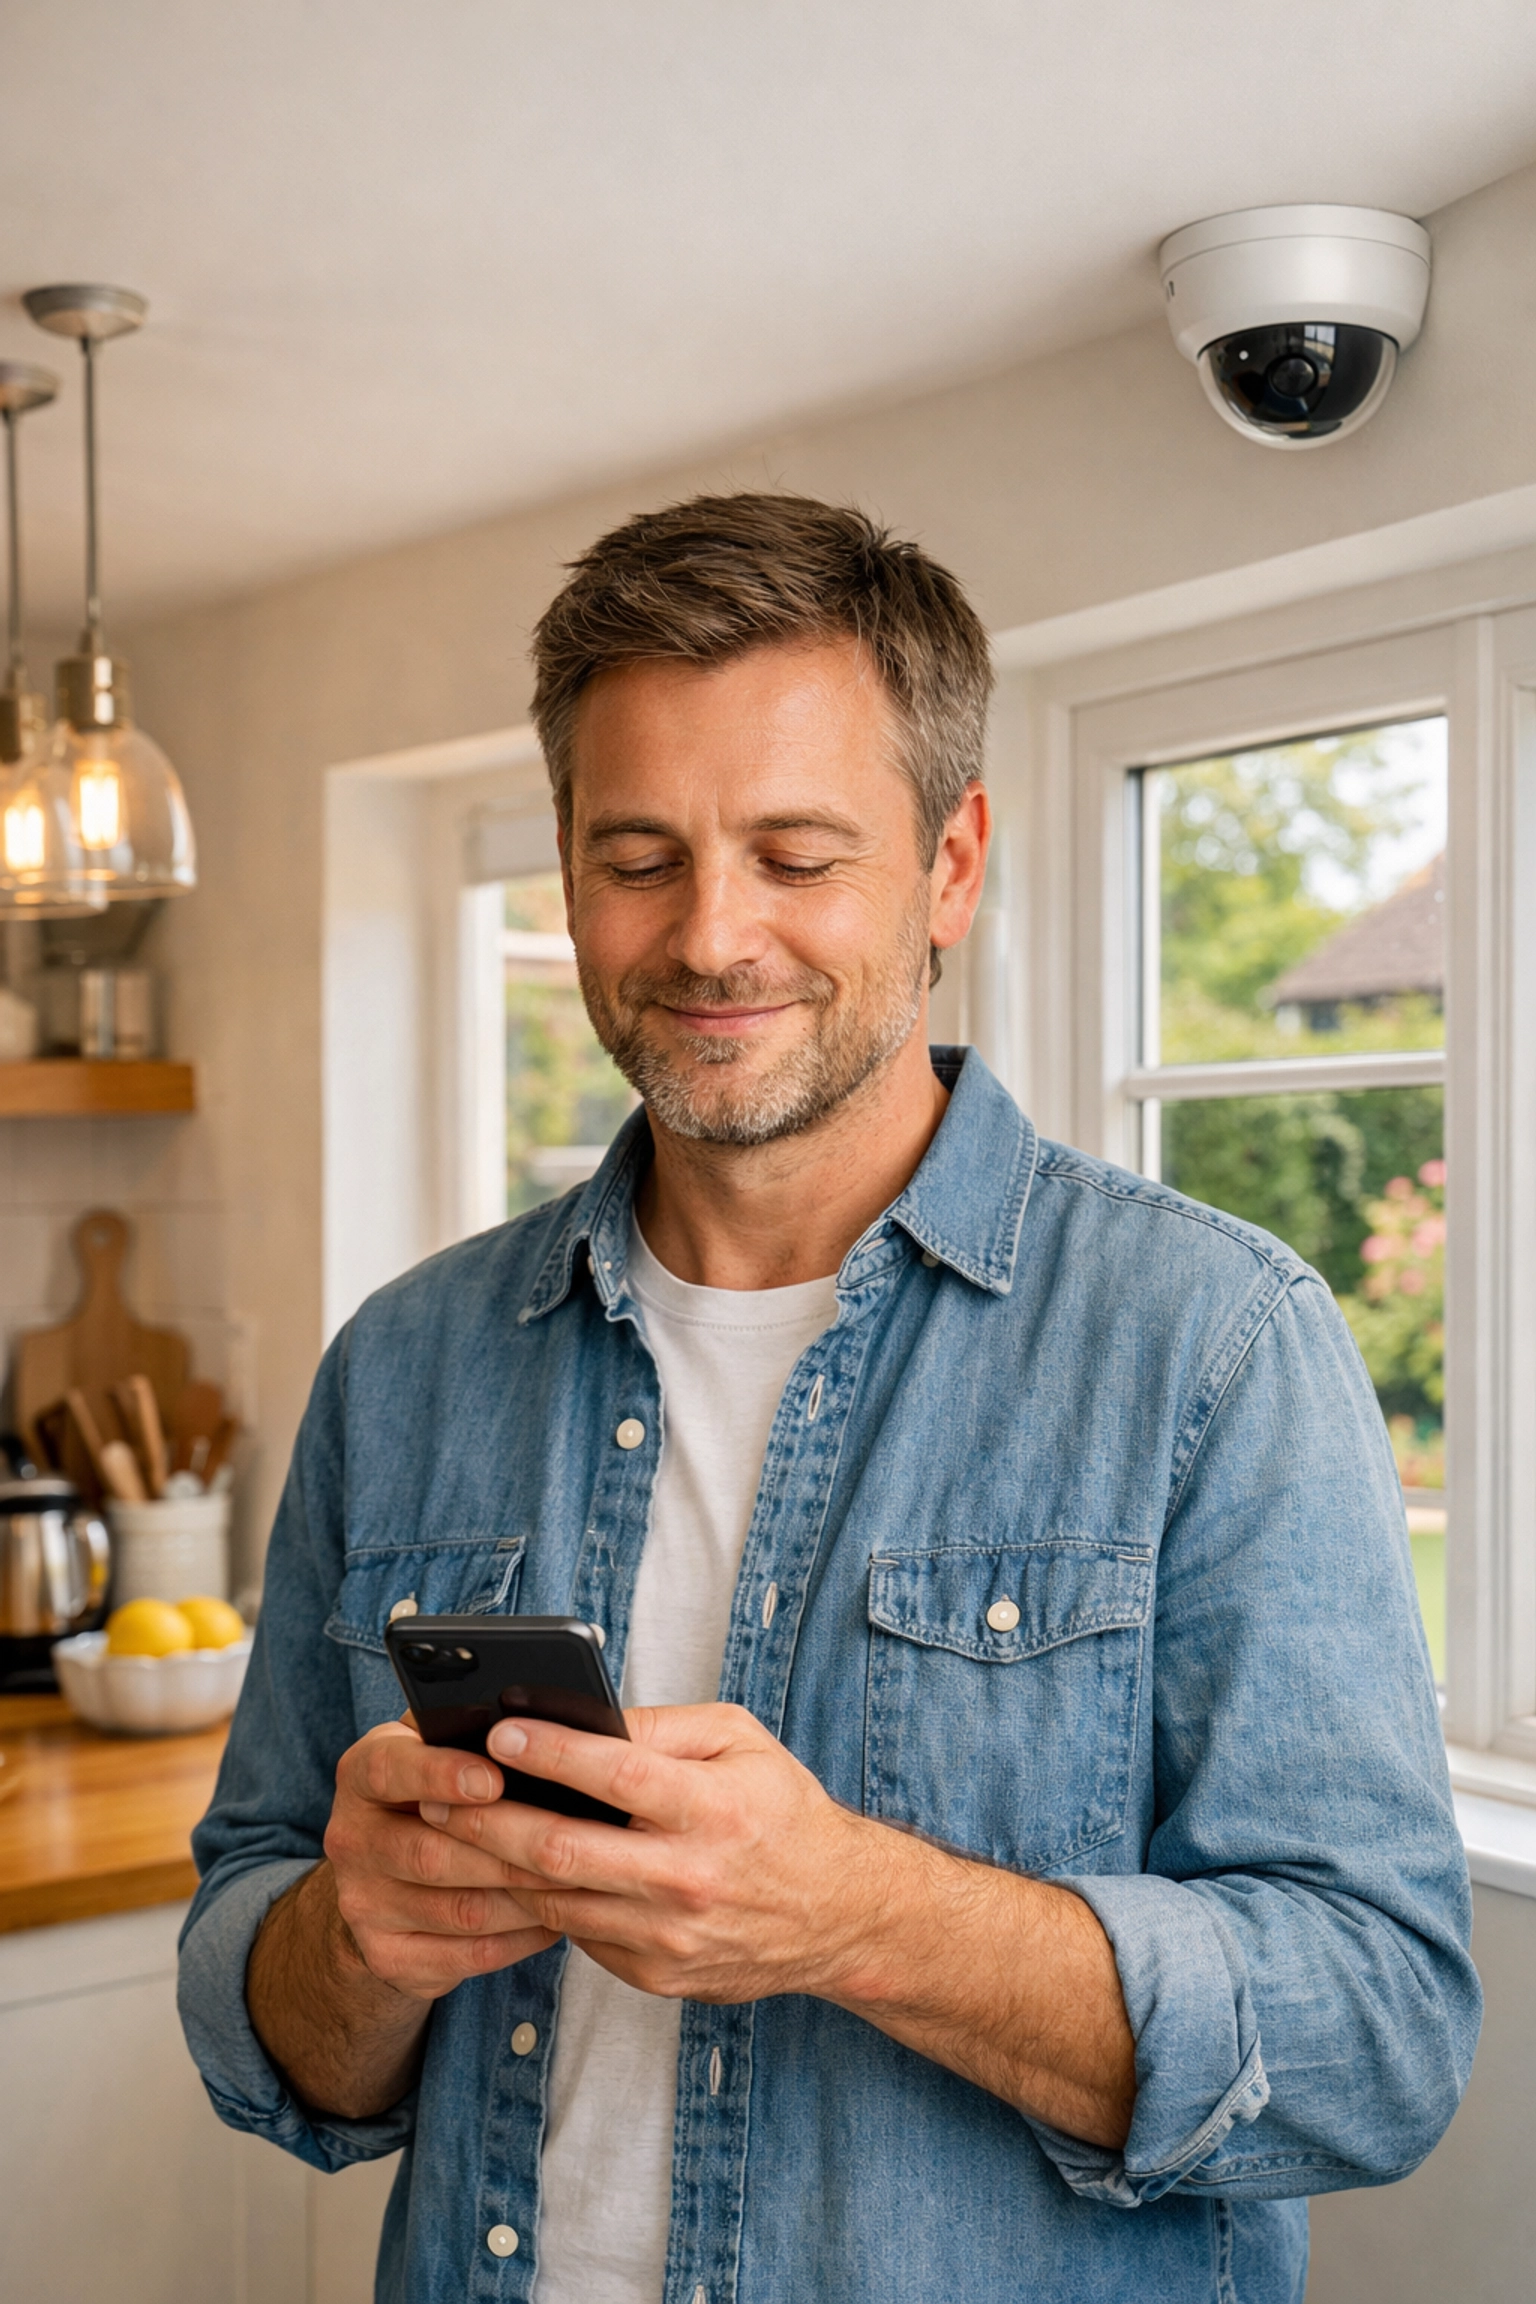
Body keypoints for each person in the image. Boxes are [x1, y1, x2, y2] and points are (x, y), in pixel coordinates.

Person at [179, 493, 1478, 2304]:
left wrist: (858, 1915)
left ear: (951, 864)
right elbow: (265, 1996)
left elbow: (1381, 2036)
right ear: (566, 865)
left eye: (798, 855)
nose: (713, 938)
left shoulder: (1217, 1343)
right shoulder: (403, 1363)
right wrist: (358, 1940)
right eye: (638, 858)